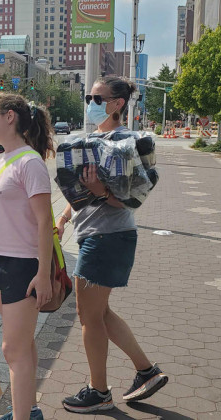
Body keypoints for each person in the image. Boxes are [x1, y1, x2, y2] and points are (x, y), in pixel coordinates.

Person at [56, 76, 168, 413]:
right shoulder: (91, 140)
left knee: (88, 316)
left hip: (107, 238)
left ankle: (99, 393)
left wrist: (103, 191)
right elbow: (78, 191)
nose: (90, 101)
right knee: (100, 313)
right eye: (88, 95)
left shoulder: (125, 144)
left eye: (96, 97)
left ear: (117, 103)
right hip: (99, 237)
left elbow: (133, 199)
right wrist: (62, 218)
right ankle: (147, 372)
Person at [0, 92, 55, 420]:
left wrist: (44, 273)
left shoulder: (30, 162)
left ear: (10, 117)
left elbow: (45, 222)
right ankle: (29, 410)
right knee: (23, 344)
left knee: (12, 350)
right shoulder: (4, 159)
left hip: (22, 265)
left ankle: (22, 416)